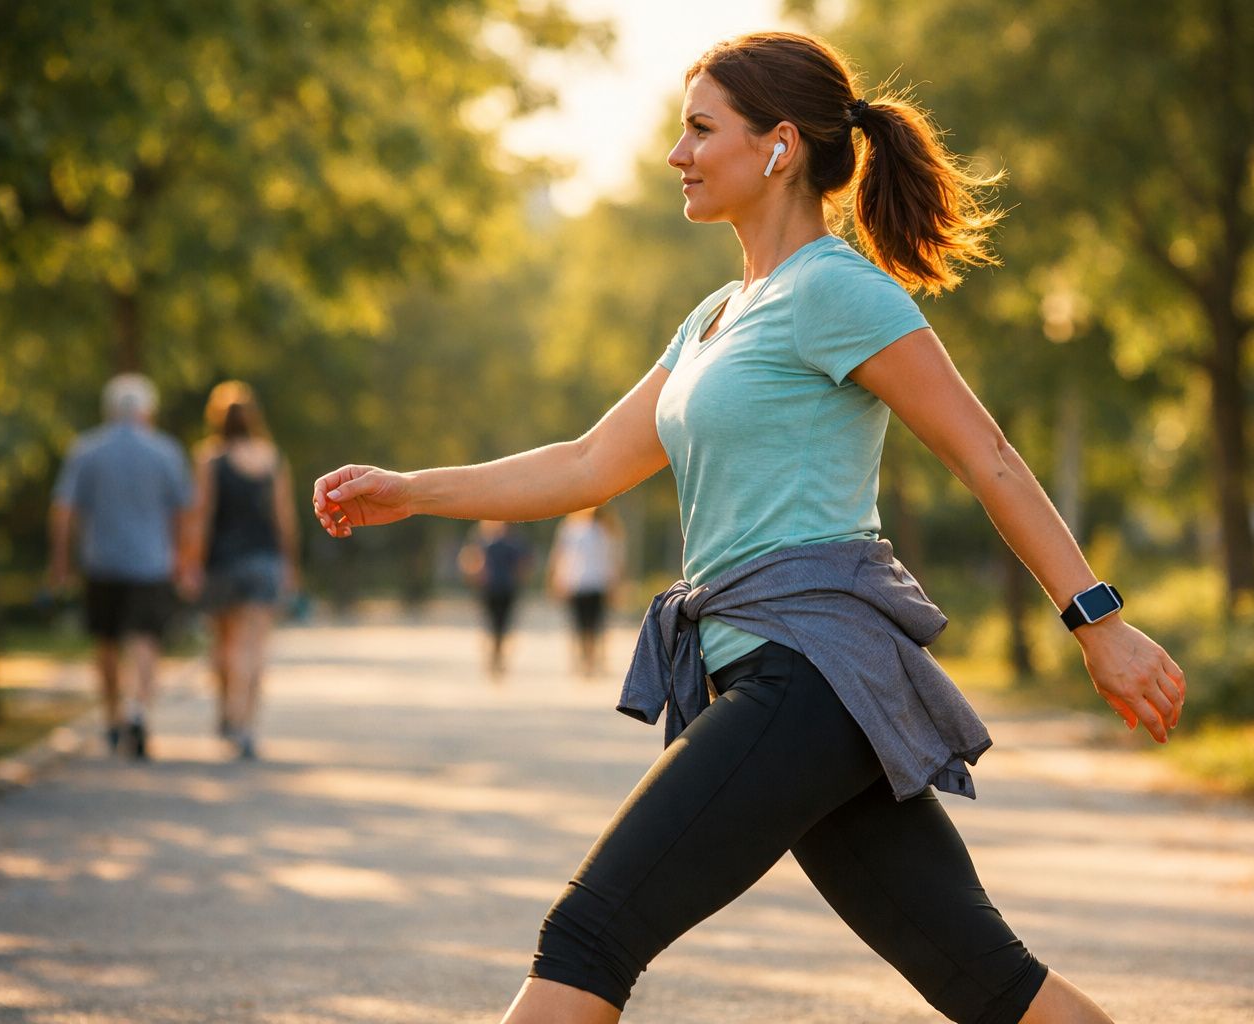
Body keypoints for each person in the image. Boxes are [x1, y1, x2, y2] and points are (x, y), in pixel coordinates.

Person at [312, 31, 1186, 1024]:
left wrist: (1098, 621)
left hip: (809, 668)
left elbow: (985, 454)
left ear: (778, 146)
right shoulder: (718, 316)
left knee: (589, 936)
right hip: (787, 679)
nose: (677, 154)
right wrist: (411, 488)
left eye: (699, 129)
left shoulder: (835, 291)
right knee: (984, 979)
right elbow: (588, 462)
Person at [49, 373, 193, 761]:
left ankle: (113, 719)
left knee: (107, 641)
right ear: (147, 411)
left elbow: (63, 509)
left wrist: (60, 560)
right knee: (145, 639)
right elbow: (182, 511)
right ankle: (138, 709)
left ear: (110, 410)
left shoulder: (86, 450)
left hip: (102, 561)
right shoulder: (166, 452)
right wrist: (182, 558)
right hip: (151, 563)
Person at [183, 381, 300, 761]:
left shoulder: (209, 459)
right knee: (254, 646)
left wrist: (191, 563)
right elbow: (285, 520)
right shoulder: (271, 459)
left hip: (222, 563)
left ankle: (228, 715)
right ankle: (246, 725)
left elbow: (201, 517)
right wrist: (290, 565)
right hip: (264, 562)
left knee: (224, 645)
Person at [547, 506, 623, 677]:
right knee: (595, 625)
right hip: (597, 583)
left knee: (580, 625)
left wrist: (556, 580)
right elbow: (613, 561)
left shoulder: (570, 528)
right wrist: (615, 585)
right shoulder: (607, 529)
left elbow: (559, 557)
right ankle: (592, 660)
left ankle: (584, 659)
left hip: (577, 583)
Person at [457, 520, 533, 676]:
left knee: (501, 626)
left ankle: (497, 657)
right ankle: (494, 657)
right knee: (493, 625)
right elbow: (469, 561)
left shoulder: (511, 543)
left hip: (505, 589)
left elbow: (523, 565)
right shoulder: (484, 542)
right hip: (491, 590)